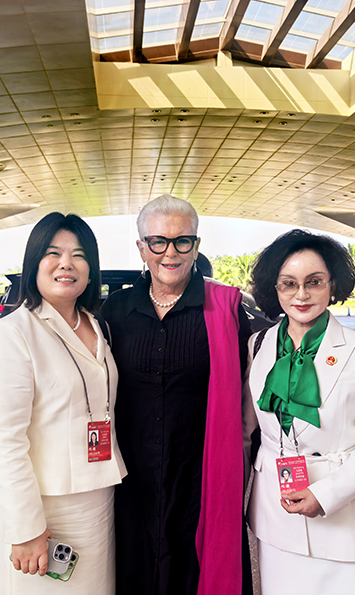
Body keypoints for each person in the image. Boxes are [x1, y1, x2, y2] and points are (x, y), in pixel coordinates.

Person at [101, 194, 253, 595]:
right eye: (158, 241)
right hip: (129, 480)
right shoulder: (114, 311)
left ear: (196, 246)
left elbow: (257, 380)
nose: (170, 252)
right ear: (142, 248)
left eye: (182, 241)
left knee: (193, 573)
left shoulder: (227, 311)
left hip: (199, 478)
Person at [243, 229, 355, 594]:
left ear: (333, 285)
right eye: (289, 284)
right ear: (274, 288)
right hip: (277, 514)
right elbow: (247, 430)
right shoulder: (258, 344)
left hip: (345, 516)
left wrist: (326, 494)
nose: (301, 295)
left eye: (314, 282)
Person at [0, 213, 126, 595]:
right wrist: (25, 527)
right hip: (47, 511)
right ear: (34, 264)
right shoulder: (13, 333)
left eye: (79, 255)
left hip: (99, 498)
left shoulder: (97, 325)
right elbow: (4, 440)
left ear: (91, 271)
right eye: (53, 253)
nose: (66, 263)